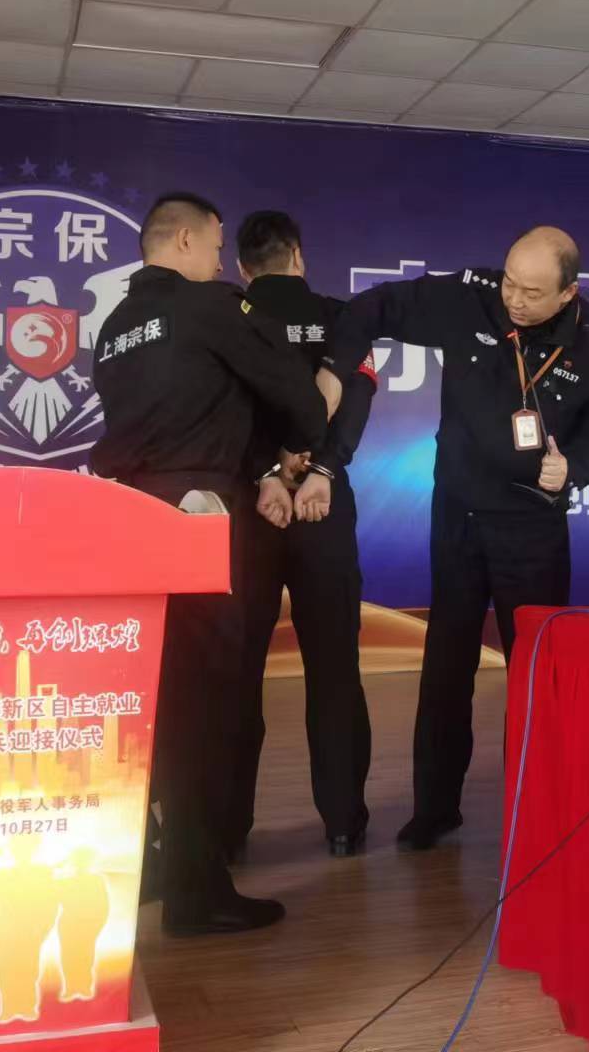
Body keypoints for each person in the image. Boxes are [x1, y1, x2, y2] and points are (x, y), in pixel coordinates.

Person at [319, 226, 589, 850]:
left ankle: (538, 809)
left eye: (532, 293)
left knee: (536, 674)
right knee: (445, 667)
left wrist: (573, 468)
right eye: (511, 282)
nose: (514, 298)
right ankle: (435, 809)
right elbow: (377, 307)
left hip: (531, 527)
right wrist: (333, 367)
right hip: (458, 517)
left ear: (568, 293)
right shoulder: (471, 297)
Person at [92, 192, 329, 934]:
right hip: (199, 518)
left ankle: (151, 862)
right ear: (188, 241)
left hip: (126, 520)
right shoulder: (210, 307)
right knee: (206, 702)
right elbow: (296, 398)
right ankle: (196, 893)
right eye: (218, 247)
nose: (224, 262)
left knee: (153, 699)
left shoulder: (115, 327)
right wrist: (295, 440)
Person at [231, 210, 378, 859]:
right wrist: (321, 469)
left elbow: (226, 409)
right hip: (324, 504)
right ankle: (343, 824)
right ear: (298, 255)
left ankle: (225, 830)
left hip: (252, 508)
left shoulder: (227, 316)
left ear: (242, 266)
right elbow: (357, 399)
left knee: (236, 673)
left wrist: (269, 470)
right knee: (335, 666)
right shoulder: (343, 318)